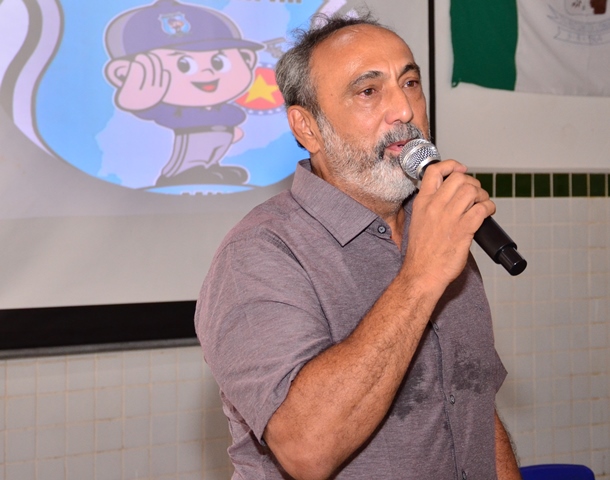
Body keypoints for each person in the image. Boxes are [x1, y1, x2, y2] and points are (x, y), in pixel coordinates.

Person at [195, 11, 522, 480]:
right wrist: (420, 278)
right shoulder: (256, 255)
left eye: (410, 83)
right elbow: (306, 449)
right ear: (307, 128)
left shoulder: (437, 231)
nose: (404, 110)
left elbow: (473, 406)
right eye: (369, 91)